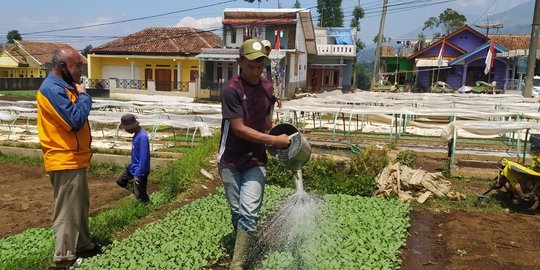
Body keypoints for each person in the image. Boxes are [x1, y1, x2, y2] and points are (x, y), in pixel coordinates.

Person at [218, 39, 290, 270]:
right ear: (240, 62)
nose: (256, 71)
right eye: (251, 66)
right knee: (237, 210)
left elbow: (267, 123)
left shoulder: (268, 88)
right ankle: (243, 242)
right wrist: (272, 140)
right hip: (229, 160)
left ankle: (237, 264)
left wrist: (282, 134)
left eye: (260, 66)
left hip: (256, 160)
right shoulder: (231, 90)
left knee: (249, 213)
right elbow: (238, 128)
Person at [36, 46, 100, 268]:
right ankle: (64, 258)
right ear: (62, 66)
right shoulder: (52, 90)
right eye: (77, 65)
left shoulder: (64, 85)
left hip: (75, 158)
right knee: (67, 211)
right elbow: (74, 120)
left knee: (79, 206)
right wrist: (84, 97)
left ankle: (83, 244)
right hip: (64, 158)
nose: (81, 70)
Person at [116, 113, 151, 203]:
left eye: (126, 128)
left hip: (140, 170)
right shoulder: (137, 134)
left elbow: (144, 158)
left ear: (131, 126)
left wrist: (138, 174)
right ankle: (137, 192)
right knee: (121, 180)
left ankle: (149, 208)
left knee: (142, 197)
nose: (126, 130)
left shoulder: (142, 137)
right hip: (133, 167)